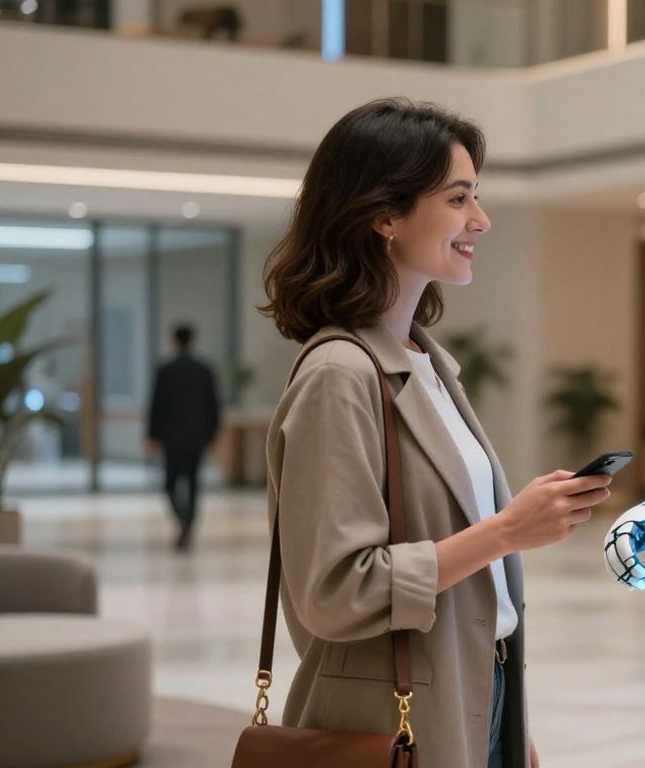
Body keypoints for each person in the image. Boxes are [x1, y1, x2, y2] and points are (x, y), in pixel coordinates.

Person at [258, 98, 607, 768]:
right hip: (393, 722)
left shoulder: (427, 362)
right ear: (383, 215)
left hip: (476, 692)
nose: (481, 220)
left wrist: (509, 724)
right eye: (458, 199)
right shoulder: (340, 374)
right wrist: (507, 530)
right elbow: (335, 591)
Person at [147, 323, 220, 551]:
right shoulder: (205, 370)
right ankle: (187, 522)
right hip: (197, 436)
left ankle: (182, 519)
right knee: (193, 481)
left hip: (172, 436)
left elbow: (157, 405)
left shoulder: (165, 370)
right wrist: (212, 434)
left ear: (174, 340)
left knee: (170, 482)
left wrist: (152, 434)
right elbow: (214, 406)